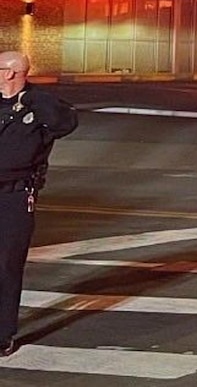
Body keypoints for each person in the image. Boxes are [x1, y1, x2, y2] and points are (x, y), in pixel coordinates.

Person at [0, 51, 77, 356]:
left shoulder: (38, 105)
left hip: (15, 195)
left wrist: (30, 95)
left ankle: (3, 333)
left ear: (11, 73)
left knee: (6, 264)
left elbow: (66, 122)